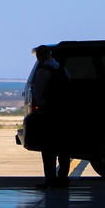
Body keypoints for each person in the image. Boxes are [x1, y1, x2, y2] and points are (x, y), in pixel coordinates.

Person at [31, 45, 71, 188]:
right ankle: (63, 178)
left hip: (48, 113)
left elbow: (38, 92)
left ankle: (50, 179)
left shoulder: (43, 71)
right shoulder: (61, 69)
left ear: (40, 56)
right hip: (62, 113)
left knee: (48, 149)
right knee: (63, 148)